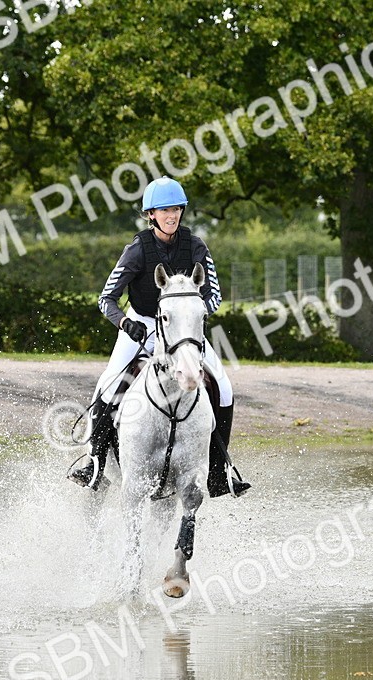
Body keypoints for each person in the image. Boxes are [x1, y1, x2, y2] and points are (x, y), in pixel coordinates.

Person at [68, 176, 251, 498]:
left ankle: (220, 472)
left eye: (177, 209)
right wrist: (126, 323)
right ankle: (94, 463)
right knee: (109, 383)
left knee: (223, 386)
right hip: (142, 327)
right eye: (164, 210)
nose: (172, 216)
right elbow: (105, 299)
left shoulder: (196, 247)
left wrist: (192, 315)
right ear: (150, 214)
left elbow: (215, 296)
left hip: (183, 331)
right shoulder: (137, 250)